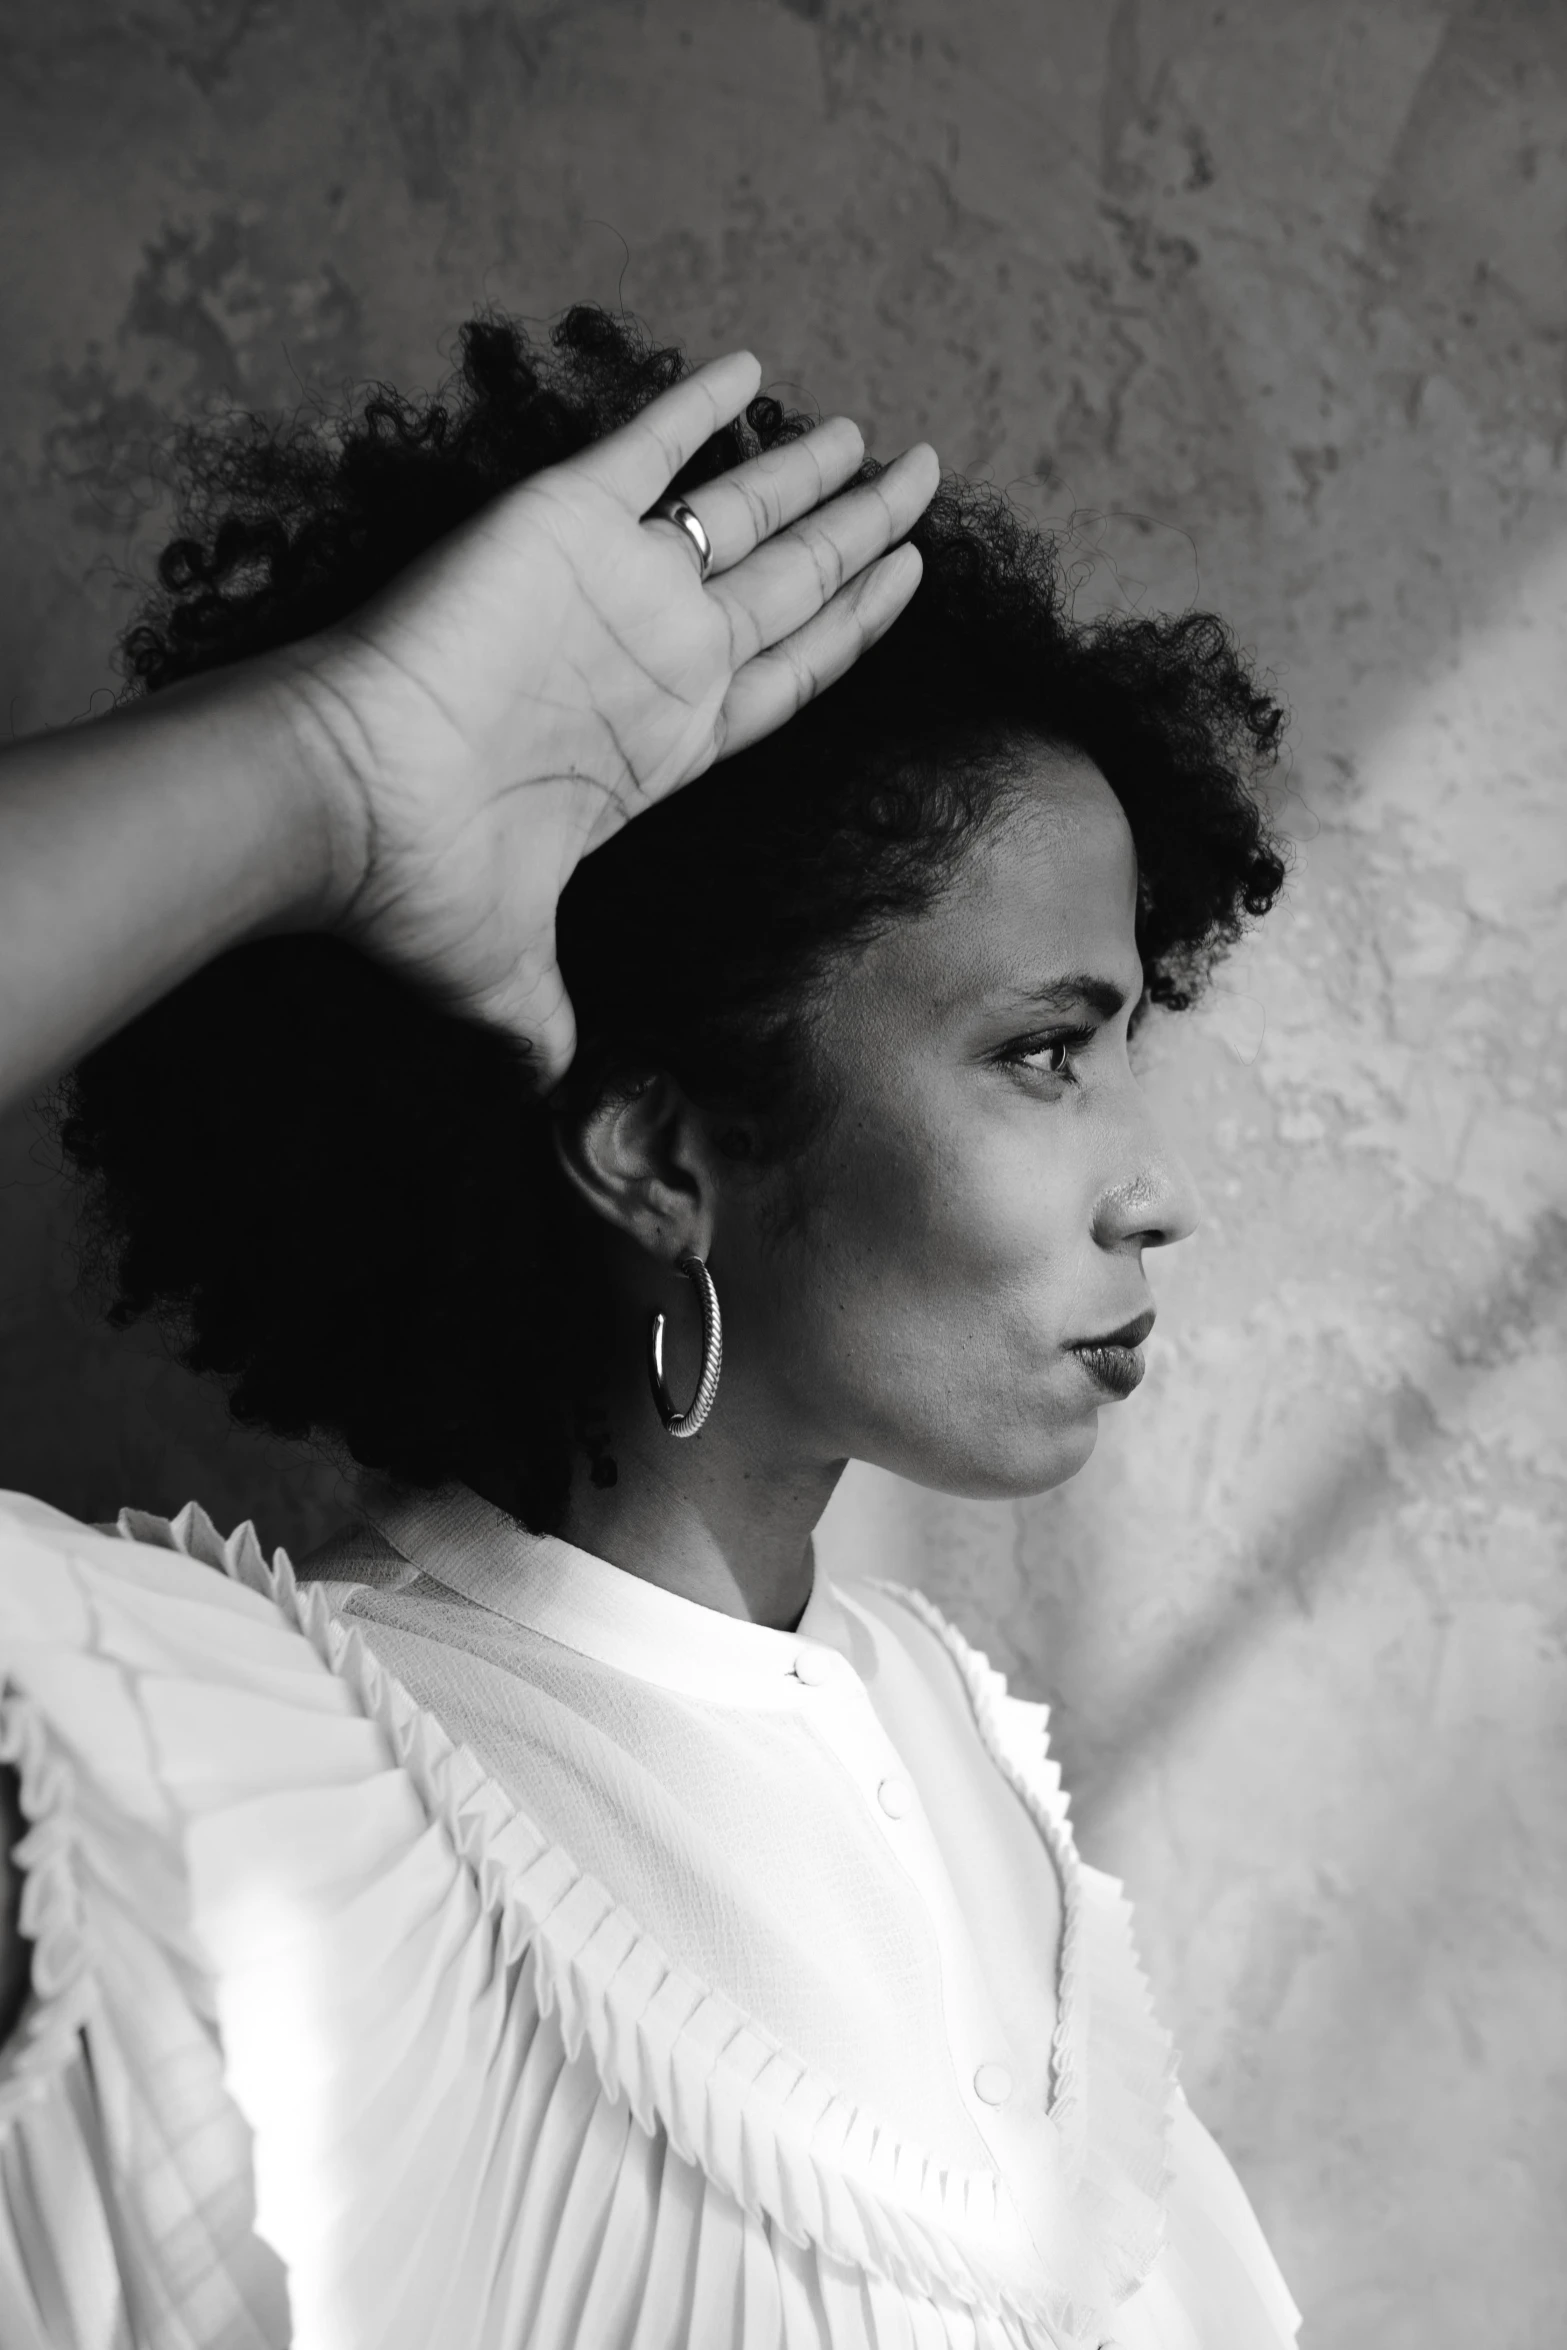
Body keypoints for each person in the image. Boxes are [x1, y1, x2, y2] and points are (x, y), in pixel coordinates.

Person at [0, 307, 1299, 2349]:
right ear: (658, 1158)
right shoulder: (234, 1779)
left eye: (1129, 1030)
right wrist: (322, 766)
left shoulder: (942, 1735)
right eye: (1048, 1052)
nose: (1158, 1183)